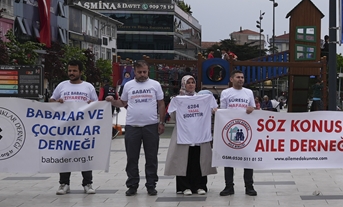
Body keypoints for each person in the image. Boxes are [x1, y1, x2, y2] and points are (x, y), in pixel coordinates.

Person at [109, 61, 165, 196]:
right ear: (134, 71)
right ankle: (132, 184)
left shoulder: (155, 85)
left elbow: (161, 104)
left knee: (151, 157)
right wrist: (111, 101)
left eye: (145, 72)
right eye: (139, 72)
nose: (142, 75)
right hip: (132, 126)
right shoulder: (128, 85)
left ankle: (151, 184)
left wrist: (161, 122)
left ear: (148, 71)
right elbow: (123, 103)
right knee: (132, 158)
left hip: (150, 126)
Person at [50, 60, 99, 195]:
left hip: (83, 128)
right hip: (66, 128)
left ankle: (88, 184)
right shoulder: (62, 86)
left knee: (84, 156)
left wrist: (91, 103)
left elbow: (96, 105)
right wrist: (57, 102)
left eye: (74, 71)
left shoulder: (88, 87)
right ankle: (64, 184)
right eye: (69, 71)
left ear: (80, 72)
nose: (71, 73)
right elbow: (51, 101)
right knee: (65, 156)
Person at [165, 75, 218, 194]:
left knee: (199, 161)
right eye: (188, 82)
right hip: (183, 135)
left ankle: (200, 186)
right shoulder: (178, 99)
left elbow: (212, 109)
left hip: (200, 136)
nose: (190, 84)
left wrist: (215, 110)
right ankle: (184, 187)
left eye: (192, 82)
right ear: (183, 84)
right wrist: (179, 103)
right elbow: (172, 117)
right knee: (183, 161)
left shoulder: (203, 98)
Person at [219, 71, 258, 196]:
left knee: (248, 159)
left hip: (246, 130)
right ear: (231, 79)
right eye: (238, 77)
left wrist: (252, 109)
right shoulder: (226, 93)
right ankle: (229, 186)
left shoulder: (249, 92)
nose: (240, 79)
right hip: (230, 130)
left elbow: (253, 108)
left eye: (242, 77)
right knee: (229, 160)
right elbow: (223, 111)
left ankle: (249, 186)